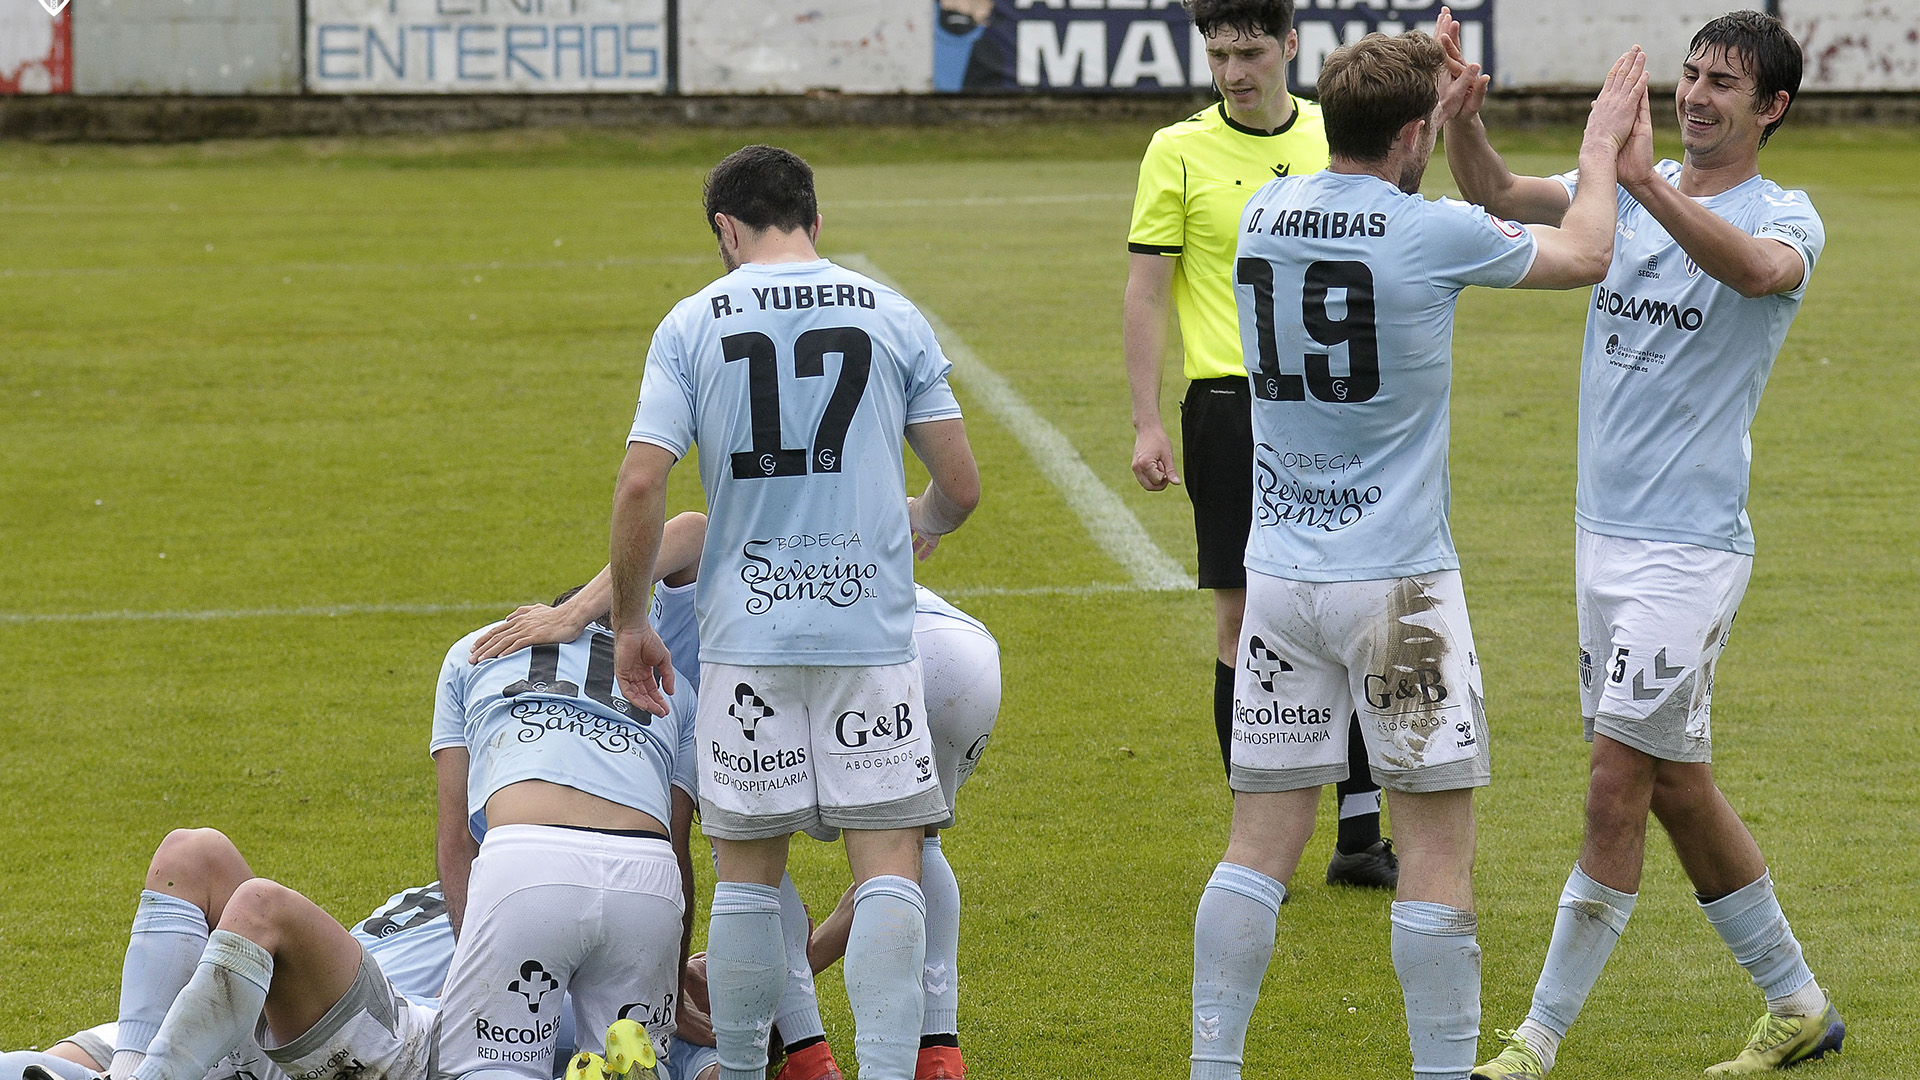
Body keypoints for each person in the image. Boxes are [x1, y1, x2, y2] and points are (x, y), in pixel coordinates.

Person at [1187, 30, 1645, 1080]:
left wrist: (1451, 109)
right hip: (1399, 591)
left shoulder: (1265, 210)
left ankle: (1213, 1068)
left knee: (1257, 847)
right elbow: (1587, 253)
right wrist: (1600, 145)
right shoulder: (1432, 230)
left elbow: (1369, 180)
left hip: (1281, 587)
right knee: (1435, 851)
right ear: (1410, 134)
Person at [1436, 10, 1843, 1078]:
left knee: (1615, 782)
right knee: (1676, 786)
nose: (1697, 97)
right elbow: (1495, 196)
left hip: (1689, 551)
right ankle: (1797, 1002)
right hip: (1600, 541)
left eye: (1724, 86)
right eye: (1691, 76)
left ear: (1773, 109)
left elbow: (1758, 273)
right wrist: (1462, 120)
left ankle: (1536, 1041)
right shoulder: (1631, 185)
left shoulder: (1784, 214)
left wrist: (1638, 181)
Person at [610, 145, 981, 1080]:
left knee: (748, 870)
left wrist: (627, 622)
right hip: (868, 637)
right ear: (814, 221)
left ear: (727, 232)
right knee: (888, 861)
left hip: (747, 640)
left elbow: (641, 482)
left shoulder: (691, 322)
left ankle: (744, 1071)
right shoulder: (890, 311)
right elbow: (962, 486)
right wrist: (920, 523)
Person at [475, 515, 1001, 1080]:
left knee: (750, 862)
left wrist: (568, 613)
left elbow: (686, 527)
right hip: (957, 646)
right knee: (911, 850)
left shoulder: (663, 680)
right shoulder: (710, 588)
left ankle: (808, 1056)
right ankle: (938, 1053)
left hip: (866, 663)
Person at [1123, 0, 1397, 888]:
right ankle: (1257, 828)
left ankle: (1361, 831)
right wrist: (1148, 419)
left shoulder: (1336, 136)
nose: (1234, 71)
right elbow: (1147, 289)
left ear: (1289, 46)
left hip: (1337, 405)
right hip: (1232, 408)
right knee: (1244, 615)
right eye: (1219, 53)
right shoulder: (1178, 150)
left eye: (1250, 52)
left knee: (1352, 607)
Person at [431, 585, 700, 1080]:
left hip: (528, 862)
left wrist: (470, 951)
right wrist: (674, 997)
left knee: (488, 1066)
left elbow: (456, 839)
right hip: (646, 878)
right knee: (638, 1062)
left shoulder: (474, 650)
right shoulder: (673, 683)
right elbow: (678, 850)